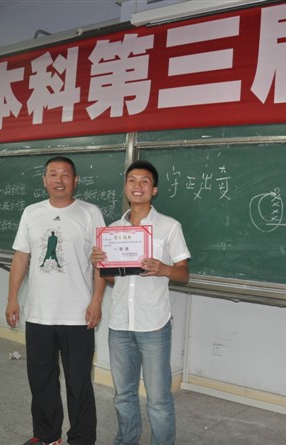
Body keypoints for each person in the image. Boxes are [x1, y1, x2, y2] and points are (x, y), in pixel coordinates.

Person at [5, 156, 106, 445]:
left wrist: (96, 301)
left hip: (77, 315)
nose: (59, 180)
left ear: (76, 180)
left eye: (65, 174)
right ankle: (47, 435)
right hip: (39, 313)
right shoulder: (31, 213)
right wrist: (12, 299)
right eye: (53, 174)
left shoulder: (90, 213)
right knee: (41, 379)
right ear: (44, 180)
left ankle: (82, 439)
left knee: (78, 382)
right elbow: (21, 257)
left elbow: (102, 261)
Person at [92, 160, 190, 445]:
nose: (137, 186)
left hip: (153, 324)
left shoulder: (169, 227)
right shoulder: (112, 231)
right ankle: (126, 440)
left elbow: (184, 274)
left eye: (144, 181)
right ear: (125, 187)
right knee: (123, 394)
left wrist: (164, 269)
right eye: (132, 180)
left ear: (154, 190)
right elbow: (114, 279)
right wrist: (99, 264)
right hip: (120, 324)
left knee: (158, 399)